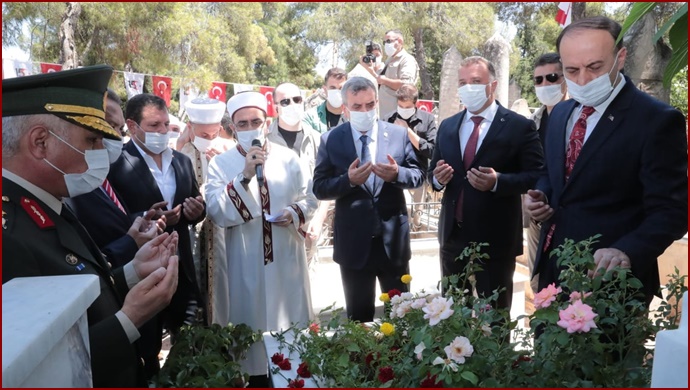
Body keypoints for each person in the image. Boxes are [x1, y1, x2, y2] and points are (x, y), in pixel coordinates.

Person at [2, 65, 179, 387]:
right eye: (92, 139)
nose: (102, 152)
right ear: (40, 142)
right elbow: (30, 371)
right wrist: (130, 318)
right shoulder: (9, 234)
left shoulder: (47, 201)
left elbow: (71, 298)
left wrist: (131, 272)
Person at [524, 16, 687, 306]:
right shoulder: (560, 114)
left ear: (620, 58)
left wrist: (626, 251)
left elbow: (672, 210)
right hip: (552, 271)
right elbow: (552, 173)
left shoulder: (656, 121)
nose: (583, 79)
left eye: (595, 67)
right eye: (572, 70)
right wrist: (541, 195)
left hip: (611, 285)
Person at [204, 91, 318, 387]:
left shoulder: (289, 159)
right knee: (251, 345)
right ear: (233, 127)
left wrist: (294, 213)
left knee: (291, 345)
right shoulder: (220, 164)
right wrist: (243, 177)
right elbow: (217, 211)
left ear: (266, 123)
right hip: (245, 265)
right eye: (243, 123)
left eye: (256, 120)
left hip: (286, 262)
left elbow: (309, 198)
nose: (250, 127)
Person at [429, 56, 543, 312]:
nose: (468, 87)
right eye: (463, 82)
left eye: (476, 81)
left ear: (492, 84)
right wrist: (437, 178)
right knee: (451, 314)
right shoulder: (448, 126)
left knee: (496, 317)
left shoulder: (518, 126)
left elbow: (537, 174)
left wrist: (498, 182)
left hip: (496, 239)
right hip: (452, 237)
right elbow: (432, 173)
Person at [313, 77, 425, 322]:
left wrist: (398, 174)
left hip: (392, 243)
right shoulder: (331, 139)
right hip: (354, 246)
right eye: (357, 107)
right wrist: (348, 180)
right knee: (359, 320)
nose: (365, 111)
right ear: (345, 108)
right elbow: (319, 188)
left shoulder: (398, 134)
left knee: (402, 318)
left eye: (370, 105)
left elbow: (418, 176)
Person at [108, 93, 207, 339]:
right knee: (147, 346)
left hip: (180, 267)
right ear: (132, 126)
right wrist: (149, 218)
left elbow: (195, 203)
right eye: (154, 125)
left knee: (187, 341)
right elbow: (109, 216)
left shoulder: (182, 161)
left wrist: (196, 211)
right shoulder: (115, 162)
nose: (163, 131)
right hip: (140, 271)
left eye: (165, 124)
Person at [178, 96, 231, 325]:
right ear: (190, 128)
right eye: (203, 136)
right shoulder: (181, 153)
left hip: (223, 233)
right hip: (193, 232)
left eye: (213, 135)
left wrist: (225, 166)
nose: (209, 141)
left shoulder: (230, 151)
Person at [523, 52, 569, 293]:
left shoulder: (580, 118)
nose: (545, 85)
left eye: (551, 77)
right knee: (538, 285)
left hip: (570, 221)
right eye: (538, 80)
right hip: (538, 220)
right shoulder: (533, 122)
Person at [267, 82, 325, 268]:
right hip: (276, 229)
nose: (292, 105)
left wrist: (318, 219)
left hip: (311, 230)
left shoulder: (318, 139)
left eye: (297, 99)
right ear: (275, 107)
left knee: (308, 290)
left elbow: (326, 185)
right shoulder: (264, 140)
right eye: (285, 102)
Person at [384, 84, 437, 228]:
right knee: (405, 212)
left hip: (418, 173)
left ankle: (415, 236)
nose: (403, 110)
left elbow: (433, 150)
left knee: (416, 220)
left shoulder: (427, 120)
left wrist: (408, 132)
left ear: (416, 103)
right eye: (400, 106)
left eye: (407, 107)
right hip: (397, 174)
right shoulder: (388, 119)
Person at [360, 29, 419, 116]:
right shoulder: (389, 60)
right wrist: (370, 69)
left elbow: (407, 86)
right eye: (385, 42)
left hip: (398, 116)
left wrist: (385, 81)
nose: (386, 45)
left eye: (388, 41)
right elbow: (380, 81)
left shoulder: (407, 59)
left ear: (399, 41)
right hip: (384, 115)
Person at [303, 68, 348, 134]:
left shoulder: (355, 116)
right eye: (333, 88)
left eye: (341, 88)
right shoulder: (310, 118)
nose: (337, 92)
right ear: (325, 89)